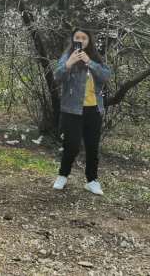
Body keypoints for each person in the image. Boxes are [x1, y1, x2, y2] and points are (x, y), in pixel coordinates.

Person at [52, 27, 111, 194]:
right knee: (71, 146)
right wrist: (69, 63)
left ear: (89, 40)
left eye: (84, 38)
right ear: (73, 39)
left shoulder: (95, 58)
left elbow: (106, 76)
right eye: (77, 37)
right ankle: (62, 175)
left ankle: (92, 181)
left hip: (94, 109)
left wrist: (89, 62)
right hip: (72, 110)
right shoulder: (67, 56)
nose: (80, 40)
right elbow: (57, 77)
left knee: (92, 147)